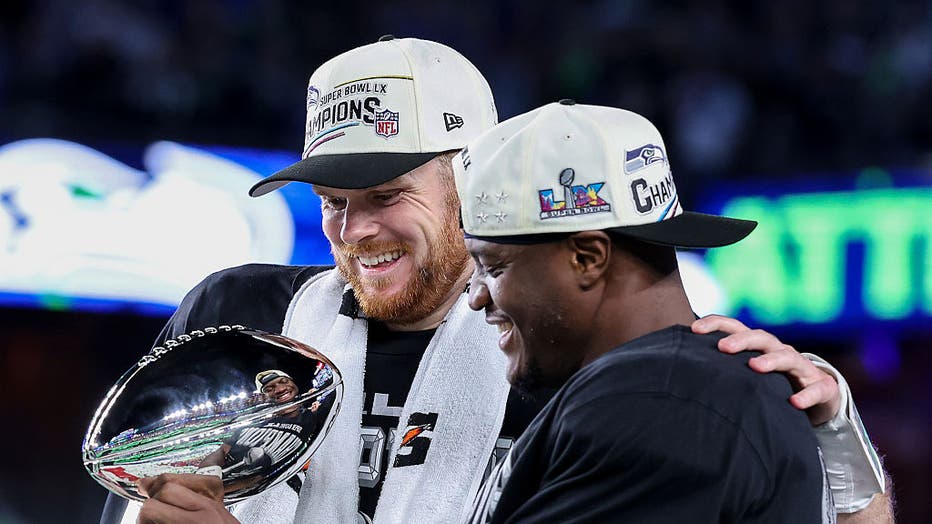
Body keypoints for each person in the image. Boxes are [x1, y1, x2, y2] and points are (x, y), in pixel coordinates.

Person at [101, 38, 885, 524]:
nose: (354, 230)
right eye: (332, 202)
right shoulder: (244, 312)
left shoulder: (571, 351)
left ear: (472, 178)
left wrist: (836, 436)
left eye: (386, 195)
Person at [458, 101, 892, 523]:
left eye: (493, 267)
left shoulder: (655, 400)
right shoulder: (688, 389)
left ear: (587, 258)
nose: (477, 295)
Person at [196, 370, 324, 496]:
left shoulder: (311, 417)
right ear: (264, 396)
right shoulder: (254, 421)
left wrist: (217, 490)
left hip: (256, 490)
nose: (279, 389)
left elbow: (258, 478)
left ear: (293, 383)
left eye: (284, 382)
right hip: (218, 493)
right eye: (269, 389)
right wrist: (208, 470)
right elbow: (222, 450)